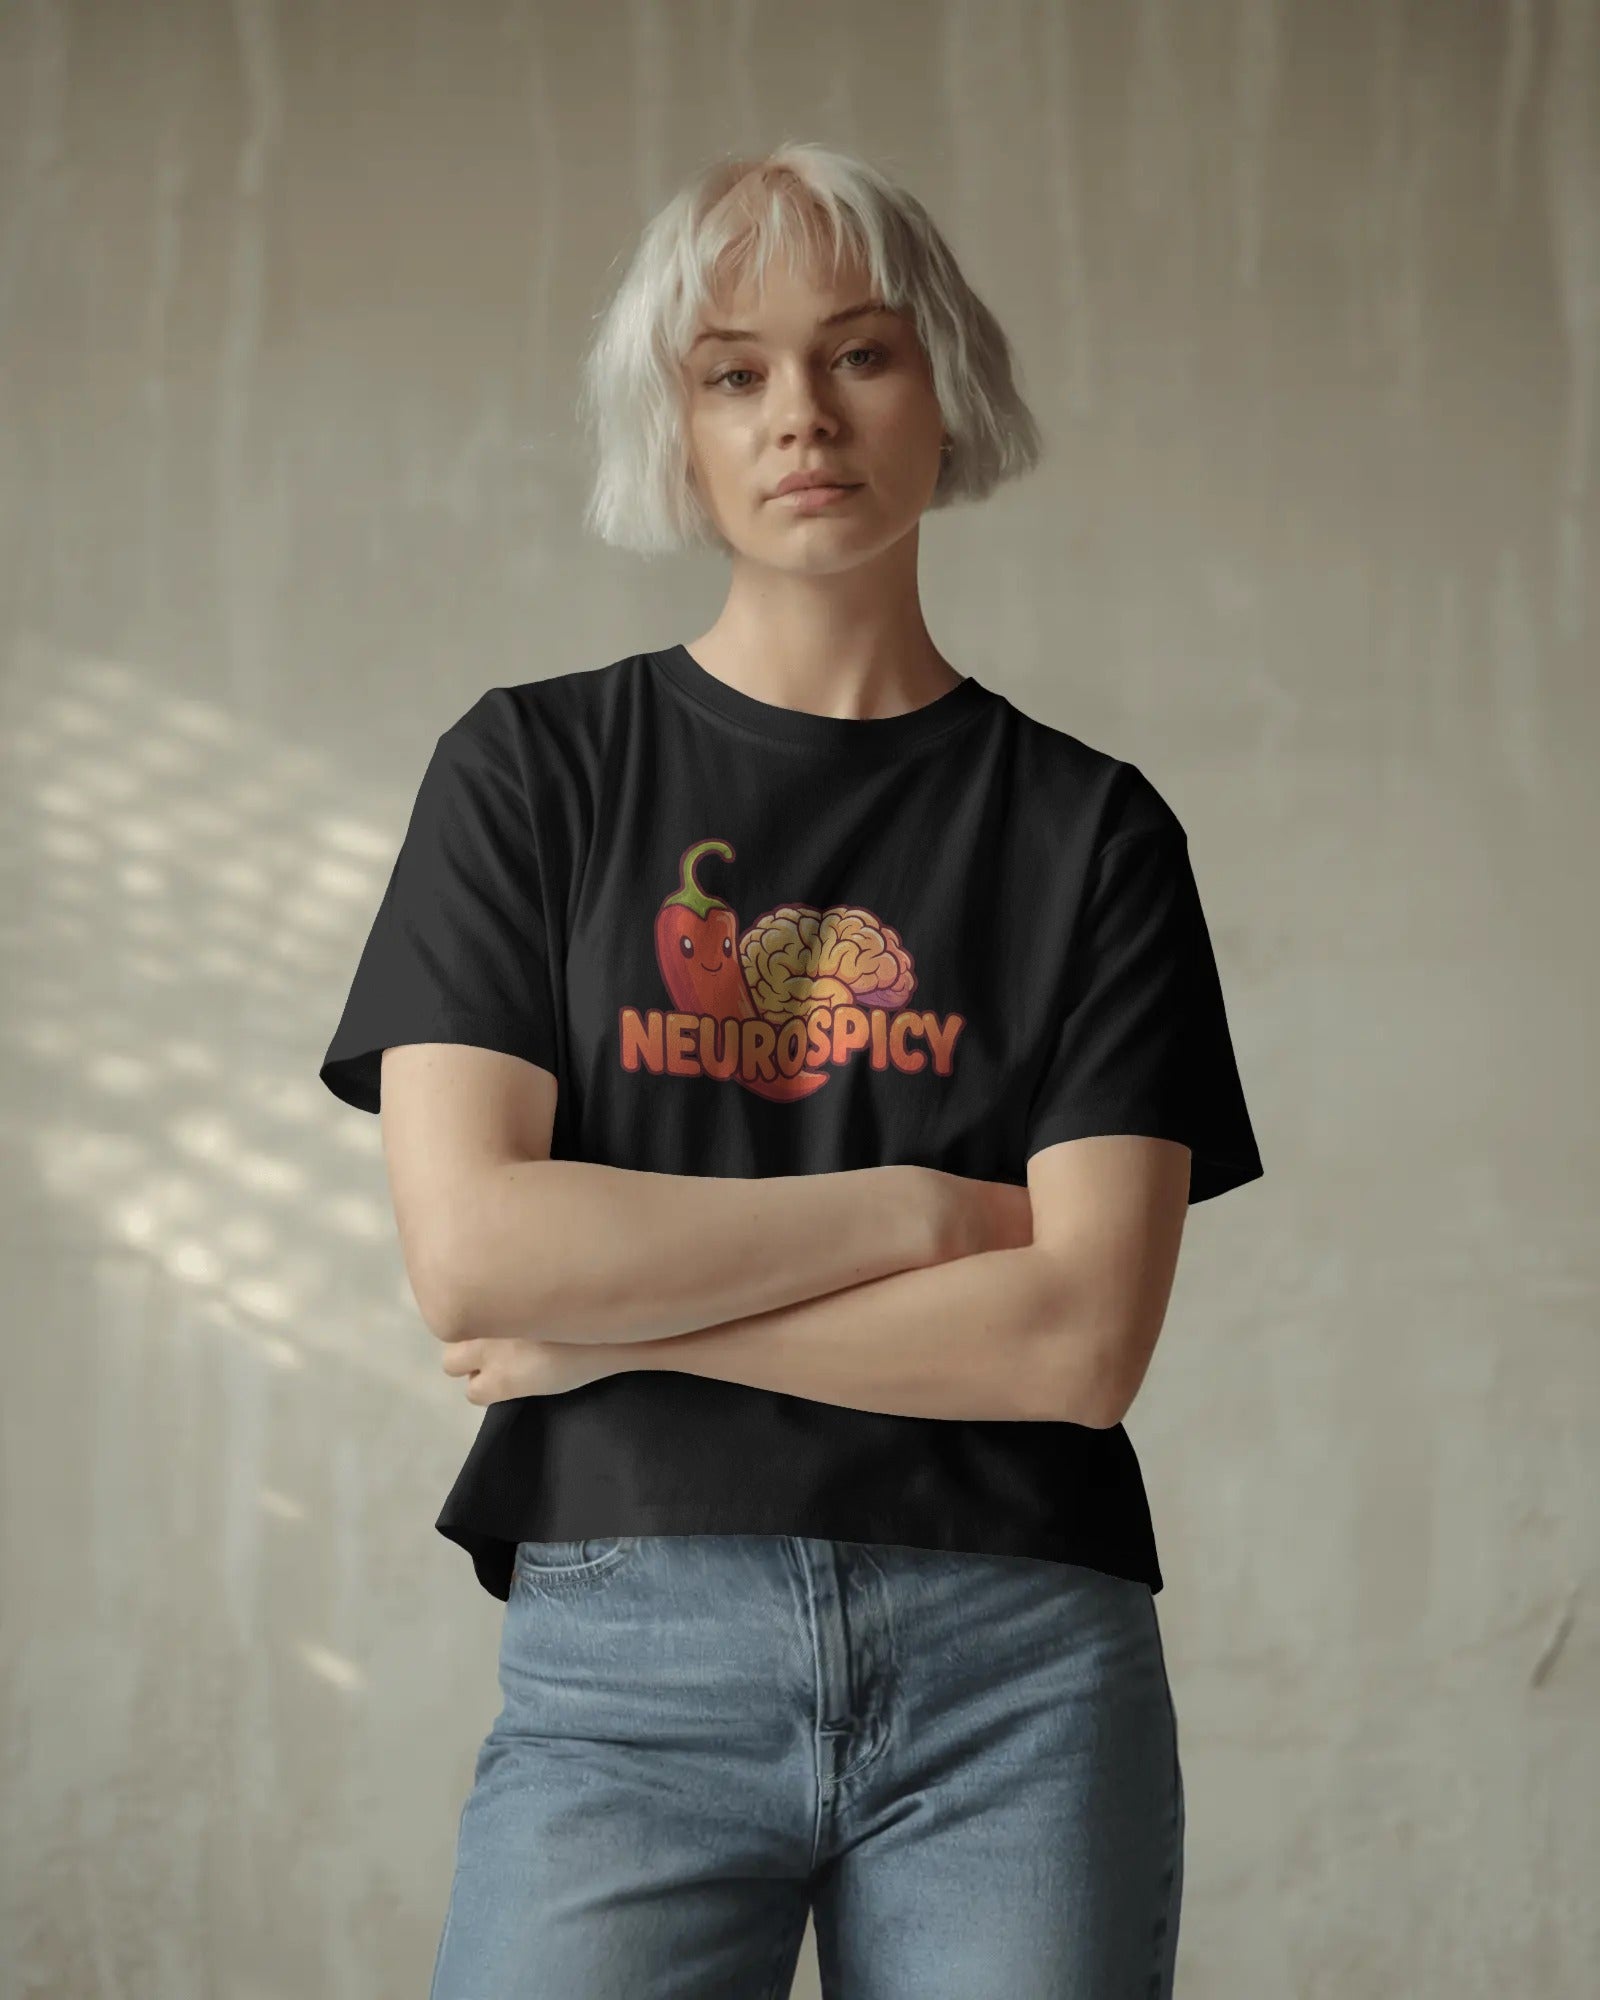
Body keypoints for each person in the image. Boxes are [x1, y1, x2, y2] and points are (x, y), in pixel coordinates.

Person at [320, 141, 1263, 2000]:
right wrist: (921, 1213)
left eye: (861, 354)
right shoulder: (530, 779)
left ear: (948, 389)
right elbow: (482, 1260)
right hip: (629, 1652)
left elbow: (1074, 1347)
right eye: (730, 370)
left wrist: (622, 1329)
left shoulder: (1092, 834)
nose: (799, 416)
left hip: (1024, 1663)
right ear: (672, 428)